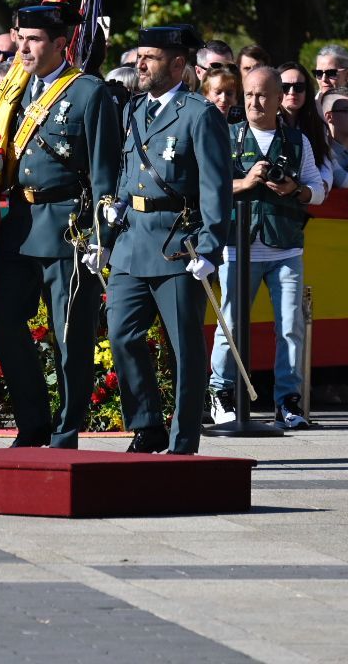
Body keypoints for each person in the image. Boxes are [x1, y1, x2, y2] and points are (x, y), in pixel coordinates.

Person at [0, 2, 120, 449]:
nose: (23, 48)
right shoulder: (14, 91)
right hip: (20, 225)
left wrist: (100, 237)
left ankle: (66, 431)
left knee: (72, 338)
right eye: (20, 38)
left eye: (34, 40)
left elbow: (105, 173)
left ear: (61, 44)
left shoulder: (89, 93)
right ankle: (33, 421)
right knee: (3, 319)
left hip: (69, 228)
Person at [102, 24, 231, 455]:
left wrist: (211, 245)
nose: (140, 64)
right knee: (122, 335)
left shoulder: (200, 113)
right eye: (140, 55)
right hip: (131, 241)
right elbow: (127, 172)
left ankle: (183, 439)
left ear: (178, 64)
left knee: (185, 349)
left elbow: (216, 187)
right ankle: (147, 425)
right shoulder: (134, 110)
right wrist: (113, 212)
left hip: (179, 244)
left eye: (151, 57)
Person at [208, 66, 324, 429]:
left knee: (290, 326)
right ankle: (220, 392)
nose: (255, 102)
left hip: (285, 248)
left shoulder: (297, 140)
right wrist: (245, 182)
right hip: (235, 247)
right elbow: (207, 189)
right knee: (231, 324)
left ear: (278, 99)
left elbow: (318, 190)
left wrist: (295, 190)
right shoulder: (223, 136)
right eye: (250, 95)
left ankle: (288, 401)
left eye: (263, 95)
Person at [278, 62, 334, 196]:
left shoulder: (316, 124)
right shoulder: (266, 122)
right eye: (284, 87)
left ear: (307, 91)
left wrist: (322, 185)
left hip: (306, 197)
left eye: (299, 87)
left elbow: (324, 161)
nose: (292, 93)